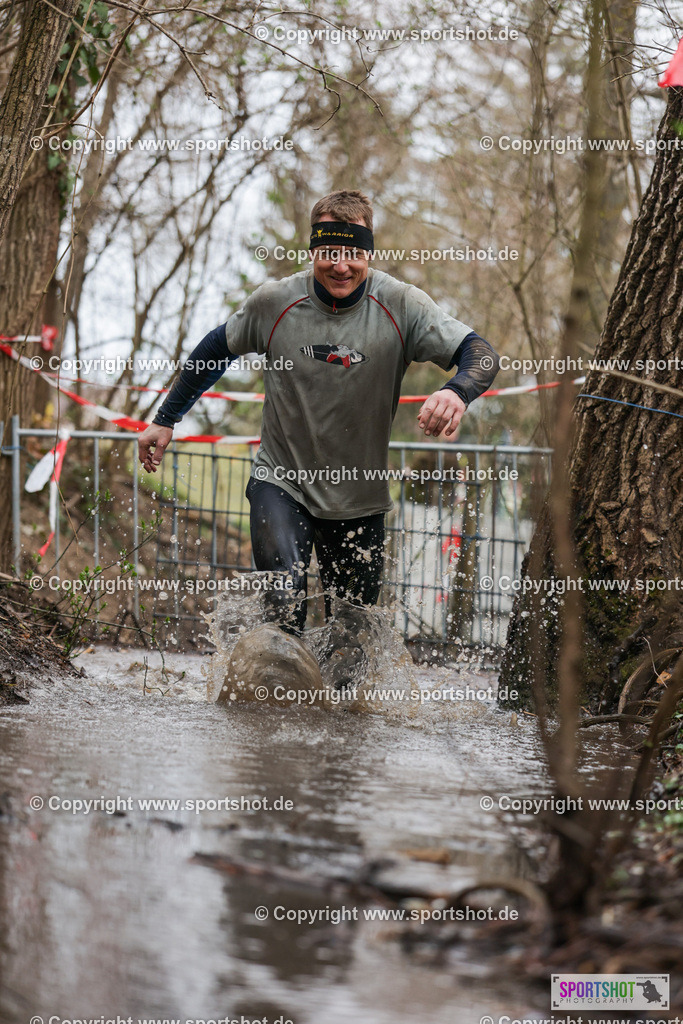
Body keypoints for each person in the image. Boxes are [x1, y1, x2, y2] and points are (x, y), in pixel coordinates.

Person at [138, 189, 500, 633]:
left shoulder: (402, 305)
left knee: (351, 639)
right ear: (314, 249)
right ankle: (270, 698)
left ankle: (331, 702)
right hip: (281, 480)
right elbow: (215, 348)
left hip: (359, 496)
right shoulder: (275, 302)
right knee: (282, 604)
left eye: (353, 253)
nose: (340, 265)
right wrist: (165, 419)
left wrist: (457, 392)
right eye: (329, 251)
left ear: (369, 254)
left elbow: (480, 353)